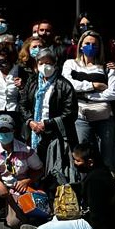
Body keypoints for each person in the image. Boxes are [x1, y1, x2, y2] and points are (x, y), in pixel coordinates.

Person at [27, 142, 115, 229]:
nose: (75, 163)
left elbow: (98, 216)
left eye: (78, 161)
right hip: (94, 222)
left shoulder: (96, 181)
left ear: (90, 162)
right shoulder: (100, 171)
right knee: (56, 218)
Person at [62, 30, 115, 172]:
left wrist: (86, 96)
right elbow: (68, 86)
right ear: (81, 45)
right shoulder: (71, 64)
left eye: (94, 44)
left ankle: (108, 188)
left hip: (103, 116)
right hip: (81, 114)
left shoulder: (107, 67)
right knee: (82, 155)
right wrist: (93, 86)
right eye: (87, 43)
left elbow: (114, 93)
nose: (90, 47)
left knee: (107, 156)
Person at [20, 49, 78, 185]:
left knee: (52, 169)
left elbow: (70, 113)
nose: (45, 66)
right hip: (33, 132)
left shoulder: (64, 85)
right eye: (41, 63)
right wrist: (30, 122)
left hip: (55, 135)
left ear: (55, 64)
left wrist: (47, 124)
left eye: (48, 63)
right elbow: (23, 105)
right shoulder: (32, 81)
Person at [0, 114, 44, 229]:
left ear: (13, 131)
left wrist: (27, 181)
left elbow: (39, 169)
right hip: (3, 185)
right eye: (1, 130)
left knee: (14, 223)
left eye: (7, 130)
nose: (4, 133)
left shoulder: (26, 150)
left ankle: (16, 209)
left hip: (18, 187)